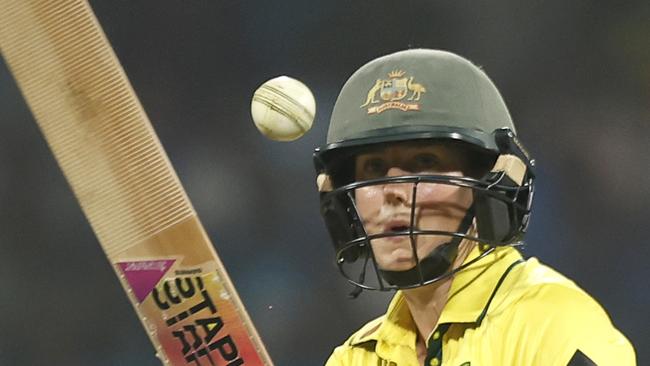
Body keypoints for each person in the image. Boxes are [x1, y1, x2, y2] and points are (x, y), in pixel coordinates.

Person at [313, 49, 635, 366]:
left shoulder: (553, 328)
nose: (393, 192)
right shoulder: (355, 358)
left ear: (491, 186)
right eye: (373, 168)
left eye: (425, 162)